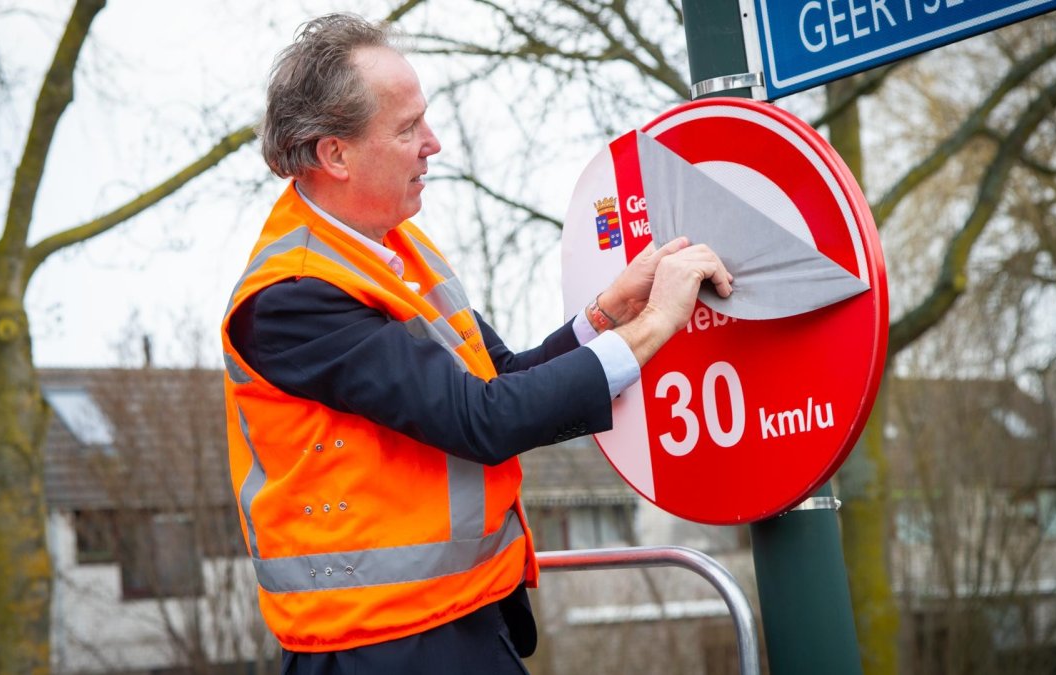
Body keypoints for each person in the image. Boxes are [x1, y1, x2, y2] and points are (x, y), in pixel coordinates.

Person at [220, 13, 733, 675]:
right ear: (334, 154)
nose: (433, 143)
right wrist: (656, 325)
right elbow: (482, 420)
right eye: (407, 128)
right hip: (380, 647)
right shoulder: (292, 296)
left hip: (456, 621)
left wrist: (608, 313)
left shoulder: (395, 250)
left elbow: (502, 381)